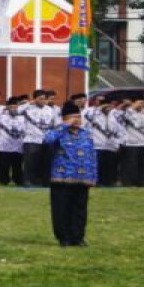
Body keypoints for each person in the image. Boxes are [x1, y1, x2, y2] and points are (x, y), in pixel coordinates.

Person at [44, 100, 97, 247]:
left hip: (82, 178)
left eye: (79, 117)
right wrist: (64, 126)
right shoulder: (58, 132)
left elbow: (92, 156)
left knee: (80, 210)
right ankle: (64, 237)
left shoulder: (86, 134)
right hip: (62, 178)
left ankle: (78, 237)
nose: (77, 120)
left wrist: (93, 176)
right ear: (64, 118)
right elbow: (46, 140)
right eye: (73, 117)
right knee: (61, 209)